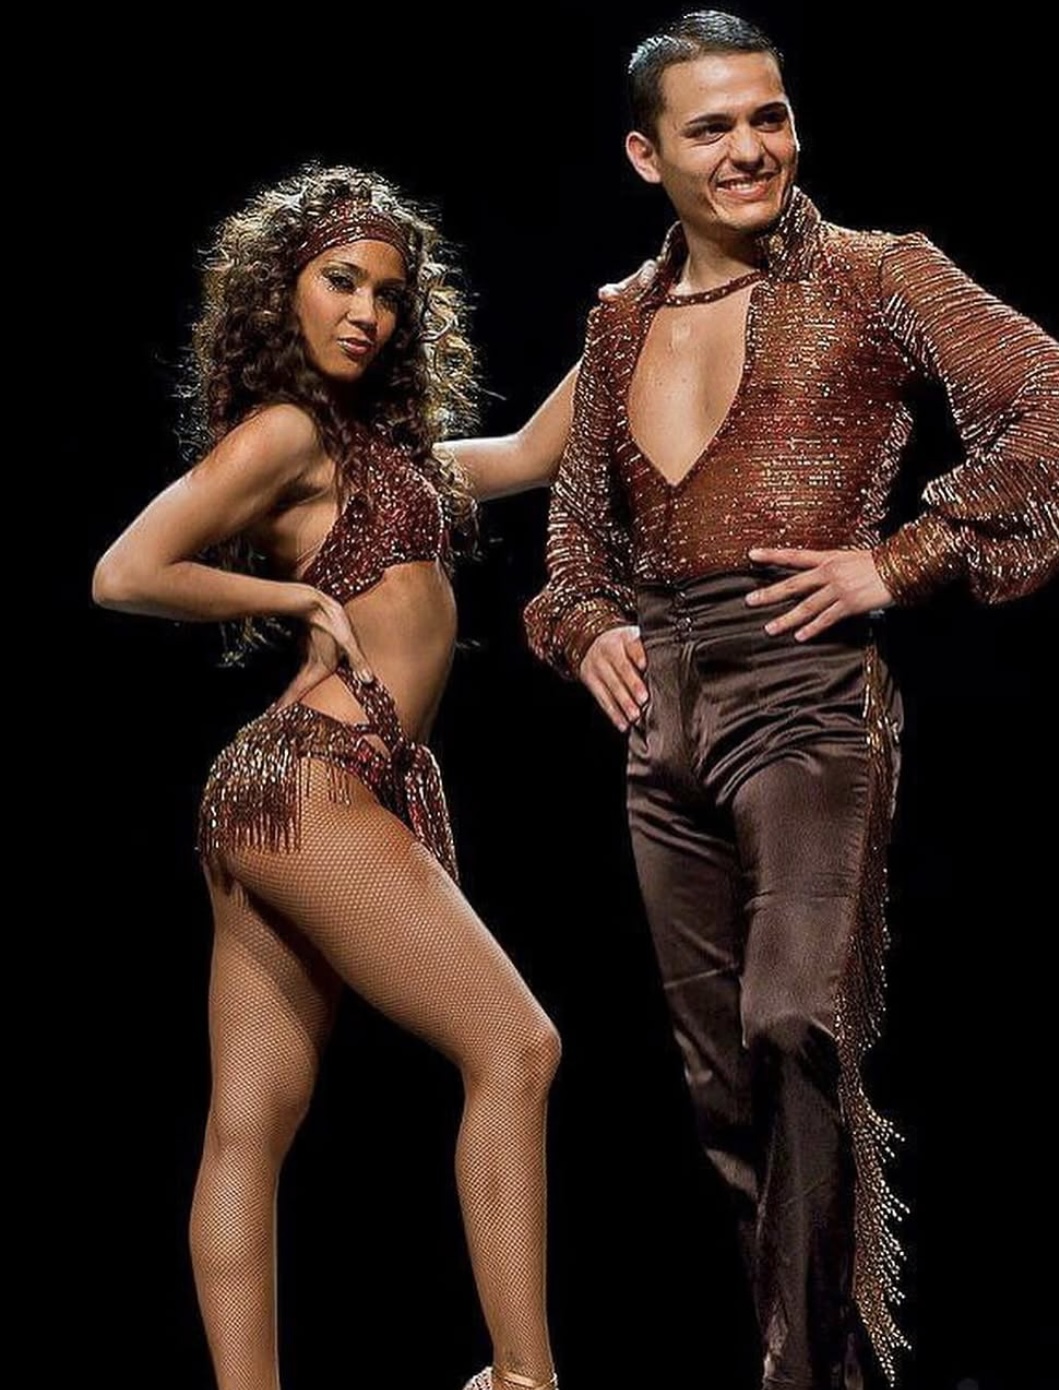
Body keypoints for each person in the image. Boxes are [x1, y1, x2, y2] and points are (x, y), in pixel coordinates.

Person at [523, 11, 1059, 1389]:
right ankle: (824, 1361)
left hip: (804, 691)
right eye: (711, 127)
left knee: (792, 1023)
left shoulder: (877, 273)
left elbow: (1044, 396)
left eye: (768, 116)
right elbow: (576, 534)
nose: (750, 148)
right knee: (720, 1086)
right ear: (645, 155)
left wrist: (902, 560)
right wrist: (582, 626)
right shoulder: (618, 319)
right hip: (661, 711)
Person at [92, 162, 578, 1390]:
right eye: (341, 281)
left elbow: (534, 449)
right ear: (283, 292)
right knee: (516, 1046)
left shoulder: (386, 454)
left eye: (389, 295)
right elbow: (126, 571)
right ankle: (524, 1379)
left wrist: (647, 297)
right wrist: (293, 597)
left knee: (248, 1128)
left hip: (274, 791)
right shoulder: (290, 432)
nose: (367, 311)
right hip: (310, 776)